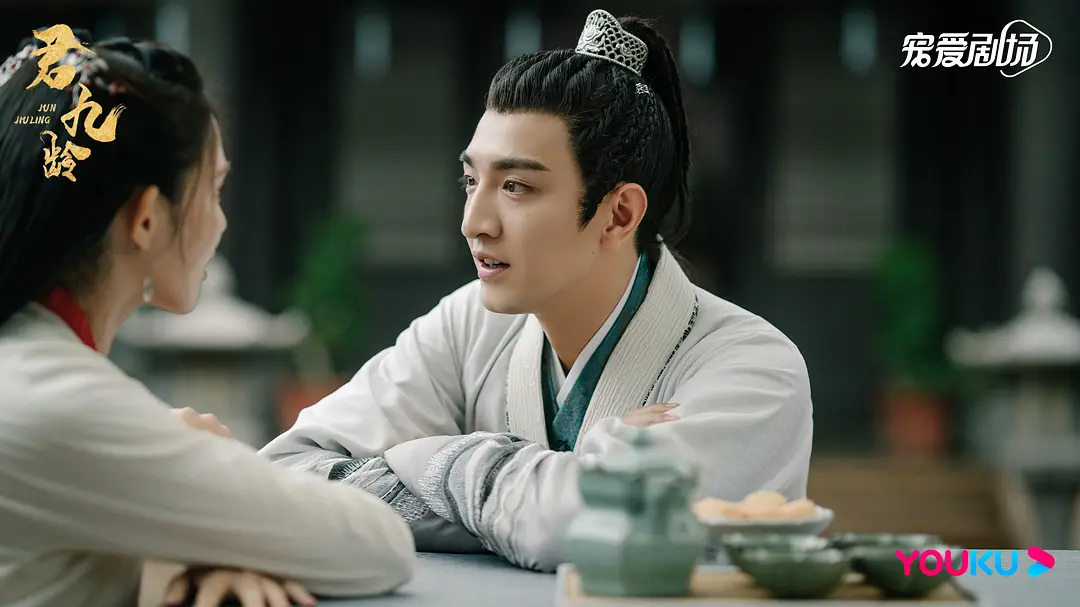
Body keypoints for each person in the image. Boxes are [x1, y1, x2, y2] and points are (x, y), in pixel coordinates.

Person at [261, 9, 813, 572]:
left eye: (517, 186)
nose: (474, 223)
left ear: (619, 214)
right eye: (471, 181)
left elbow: (587, 528)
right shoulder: (467, 326)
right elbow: (281, 479)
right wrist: (533, 482)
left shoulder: (753, 370)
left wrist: (431, 461)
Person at [0, 26, 414, 607]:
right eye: (214, 189)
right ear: (147, 217)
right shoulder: (59, 401)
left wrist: (195, 518)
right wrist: (198, 494)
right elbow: (377, 543)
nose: (221, 222)